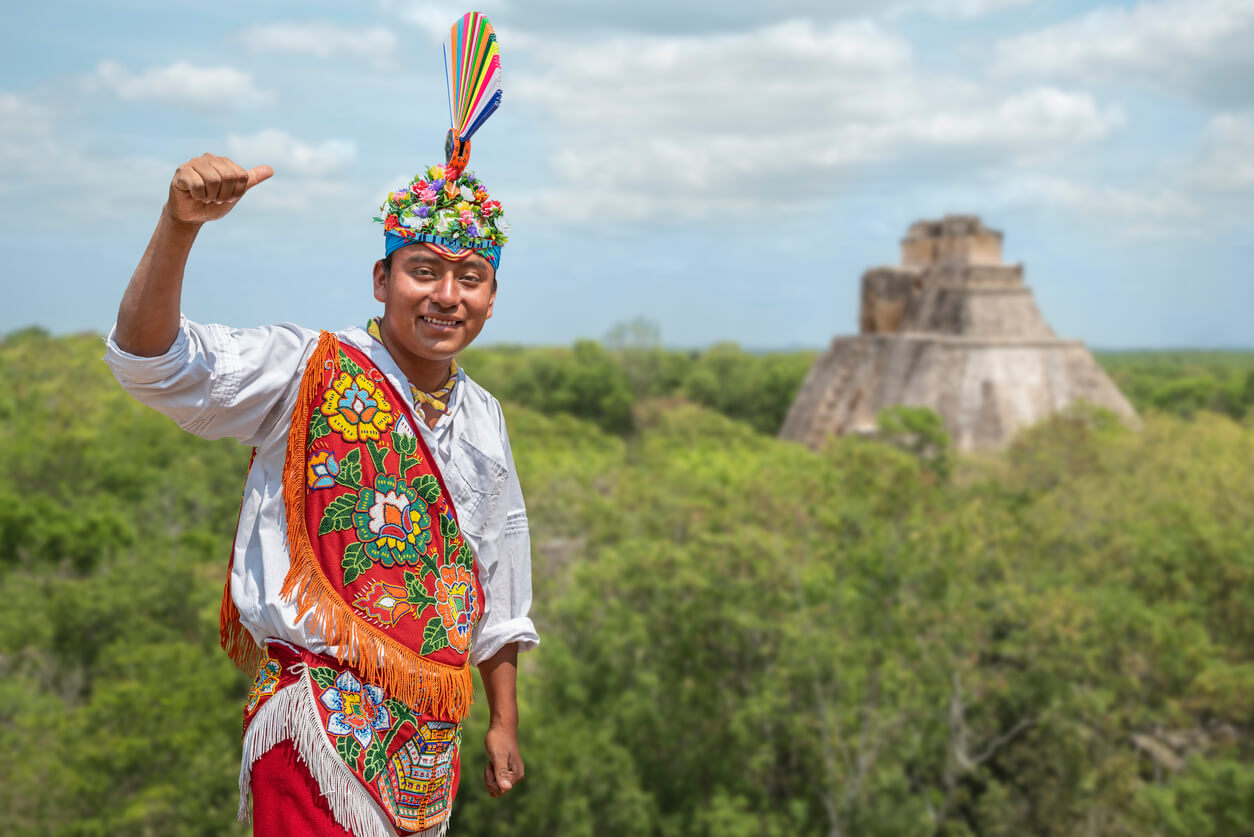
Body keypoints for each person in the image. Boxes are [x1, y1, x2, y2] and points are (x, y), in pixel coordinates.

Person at [104, 139, 537, 835]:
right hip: (318, 729)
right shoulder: (307, 368)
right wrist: (179, 226)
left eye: (471, 277)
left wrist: (503, 720)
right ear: (381, 278)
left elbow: (498, 578)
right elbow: (153, 362)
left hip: (428, 747)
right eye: (424, 271)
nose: (447, 296)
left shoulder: (483, 416)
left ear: (491, 296)